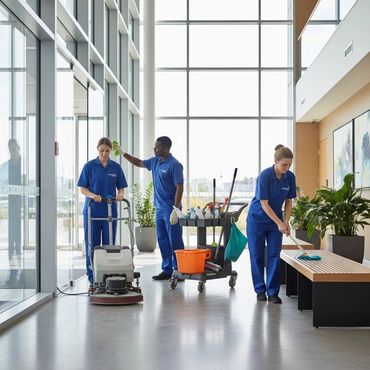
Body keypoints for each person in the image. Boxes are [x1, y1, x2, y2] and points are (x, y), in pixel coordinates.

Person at [114, 136, 185, 280]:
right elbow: (139, 162)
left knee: (175, 240)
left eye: (157, 147)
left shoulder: (175, 165)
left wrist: (175, 209)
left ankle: (180, 270)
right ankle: (167, 270)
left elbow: (180, 188)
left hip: (171, 210)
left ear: (166, 148)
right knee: (162, 239)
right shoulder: (155, 162)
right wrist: (122, 153)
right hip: (159, 209)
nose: (154, 149)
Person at [246, 145, 296, 304]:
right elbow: (264, 204)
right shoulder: (265, 176)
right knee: (257, 255)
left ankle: (273, 292)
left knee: (274, 254)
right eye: (284, 165)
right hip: (257, 219)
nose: (287, 168)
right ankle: (260, 290)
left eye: (289, 165)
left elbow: (289, 202)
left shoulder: (290, 177)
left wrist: (286, 221)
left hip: (276, 221)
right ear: (275, 161)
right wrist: (279, 222)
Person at [77, 137, 127, 284]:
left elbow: (121, 187)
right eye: (101, 151)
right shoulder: (89, 166)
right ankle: (92, 274)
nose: (104, 154)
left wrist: (121, 194)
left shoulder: (116, 167)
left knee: (109, 243)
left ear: (111, 151)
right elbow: (83, 189)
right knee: (92, 243)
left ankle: (108, 273)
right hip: (92, 211)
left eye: (107, 151)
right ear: (97, 150)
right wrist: (93, 195)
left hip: (110, 211)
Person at [0, 139, 22, 287]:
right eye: (10, 149)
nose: (12, 151)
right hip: (11, 204)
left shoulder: (24, 165)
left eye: (14, 149)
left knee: (18, 239)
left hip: (23, 205)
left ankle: (19, 271)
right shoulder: (6, 166)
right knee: (12, 238)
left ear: (18, 148)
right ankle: (12, 272)